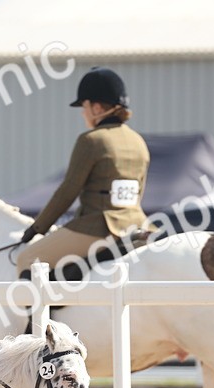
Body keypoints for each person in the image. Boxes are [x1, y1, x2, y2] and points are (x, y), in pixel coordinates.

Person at [18, 67, 150, 274]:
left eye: (84, 106)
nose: (83, 112)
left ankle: (47, 307)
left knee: (27, 258)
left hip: (99, 227)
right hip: (138, 225)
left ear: (97, 108)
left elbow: (68, 191)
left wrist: (37, 229)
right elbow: (138, 191)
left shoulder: (91, 140)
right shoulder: (138, 141)